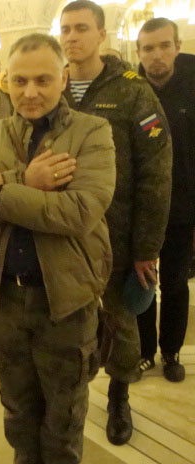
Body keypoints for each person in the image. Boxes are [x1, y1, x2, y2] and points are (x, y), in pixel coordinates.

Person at [0, 33, 116, 464]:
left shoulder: (92, 132)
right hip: (3, 299)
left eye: (43, 80)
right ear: (6, 81)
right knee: (17, 402)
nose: (30, 92)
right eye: (19, 80)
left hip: (65, 300)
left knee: (64, 408)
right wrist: (26, 180)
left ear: (63, 78)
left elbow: (79, 211)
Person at [59, 0, 172, 446]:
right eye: (65, 29)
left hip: (118, 234)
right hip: (64, 232)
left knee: (122, 324)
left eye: (81, 28)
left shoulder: (132, 92)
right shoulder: (53, 88)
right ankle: (70, 398)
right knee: (67, 323)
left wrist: (147, 247)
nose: (72, 37)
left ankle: (120, 397)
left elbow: (156, 172)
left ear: (101, 35)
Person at [136, 18, 195, 383]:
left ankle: (171, 351)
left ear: (176, 47)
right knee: (140, 281)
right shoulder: (132, 92)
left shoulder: (191, 88)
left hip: (183, 207)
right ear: (138, 52)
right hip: (141, 208)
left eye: (163, 46)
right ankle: (143, 352)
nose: (156, 55)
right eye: (148, 48)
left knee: (174, 282)